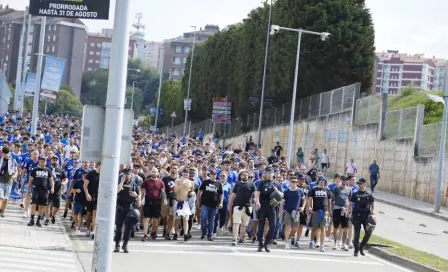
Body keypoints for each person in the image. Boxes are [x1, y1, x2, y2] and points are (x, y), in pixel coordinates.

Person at [254, 166, 281, 252]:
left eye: (271, 173)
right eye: (268, 173)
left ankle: (266, 243)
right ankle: (260, 244)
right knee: (261, 226)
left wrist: (276, 191)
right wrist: (257, 202)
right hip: (263, 206)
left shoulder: (277, 184)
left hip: (272, 207)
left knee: (273, 226)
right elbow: (257, 194)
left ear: (273, 174)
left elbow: (281, 198)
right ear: (265, 174)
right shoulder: (262, 183)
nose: (269, 174)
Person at [115, 167, 141, 253]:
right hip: (120, 207)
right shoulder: (120, 184)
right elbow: (116, 191)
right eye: (125, 174)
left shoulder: (135, 186)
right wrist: (121, 182)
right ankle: (117, 245)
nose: (126, 176)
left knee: (128, 228)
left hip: (130, 208)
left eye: (128, 174)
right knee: (118, 227)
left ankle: (125, 244)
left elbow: (139, 201)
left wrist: (136, 196)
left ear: (131, 175)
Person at [347, 178, 375, 257]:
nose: (359, 185)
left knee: (369, 232)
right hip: (357, 216)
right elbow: (350, 203)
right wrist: (348, 211)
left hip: (366, 216)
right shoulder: (355, 194)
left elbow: (372, 204)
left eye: (361, 184)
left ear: (365, 184)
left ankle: (361, 247)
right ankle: (356, 250)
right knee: (357, 233)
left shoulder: (369, 194)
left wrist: (373, 213)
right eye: (359, 184)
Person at [228, 170, 255, 246]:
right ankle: (234, 239)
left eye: (246, 175)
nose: (245, 176)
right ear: (240, 176)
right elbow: (233, 195)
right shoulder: (237, 184)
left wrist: (256, 201)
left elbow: (256, 194)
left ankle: (241, 239)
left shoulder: (252, 184)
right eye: (243, 175)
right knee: (236, 223)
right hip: (237, 206)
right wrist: (229, 204)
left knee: (244, 224)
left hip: (248, 207)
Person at [278, 175, 306, 250]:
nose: (294, 183)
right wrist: (280, 212)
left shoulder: (300, 191)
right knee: (287, 226)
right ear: (290, 182)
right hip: (287, 211)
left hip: (296, 212)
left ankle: (289, 238)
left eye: (296, 182)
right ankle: (286, 243)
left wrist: (303, 207)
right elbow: (282, 202)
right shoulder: (286, 191)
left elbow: (304, 199)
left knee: (295, 229)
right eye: (293, 182)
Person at [27, 157, 54, 227]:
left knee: (41, 206)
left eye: (44, 162)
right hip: (36, 189)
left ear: (46, 163)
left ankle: (38, 220)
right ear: (39, 162)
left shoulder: (48, 170)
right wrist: (28, 188)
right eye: (41, 161)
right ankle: (32, 220)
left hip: (44, 190)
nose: (43, 163)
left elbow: (51, 180)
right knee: (33, 204)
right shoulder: (35, 170)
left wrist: (52, 188)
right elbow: (30, 179)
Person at [141, 167, 166, 241]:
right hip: (148, 201)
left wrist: (164, 199)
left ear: (158, 173)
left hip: (157, 201)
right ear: (150, 172)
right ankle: (145, 234)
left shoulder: (161, 182)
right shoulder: (146, 181)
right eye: (152, 171)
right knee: (146, 218)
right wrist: (140, 200)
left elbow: (163, 192)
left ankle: (153, 232)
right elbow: (142, 191)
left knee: (156, 219)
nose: (154, 173)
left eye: (155, 172)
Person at [308, 176, 332, 252]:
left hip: (324, 211)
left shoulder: (327, 190)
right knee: (314, 228)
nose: (322, 182)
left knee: (323, 227)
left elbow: (329, 201)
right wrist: (310, 207)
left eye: (324, 181)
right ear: (318, 181)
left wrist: (329, 210)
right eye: (321, 180)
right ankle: (312, 241)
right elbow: (310, 199)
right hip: (315, 211)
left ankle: (322, 245)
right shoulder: (313, 189)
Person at [198, 169, 223, 241]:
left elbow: (221, 194)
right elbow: (199, 192)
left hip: (214, 205)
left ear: (216, 175)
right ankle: (203, 233)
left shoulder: (219, 183)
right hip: (204, 204)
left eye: (214, 174)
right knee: (203, 218)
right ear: (210, 175)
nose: (213, 175)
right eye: (212, 174)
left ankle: (210, 234)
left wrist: (221, 203)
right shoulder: (205, 182)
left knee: (212, 220)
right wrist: (198, 201)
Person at [174, 167, 194, 241]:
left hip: (186, 202)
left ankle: (185, 233)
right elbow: (175, 190)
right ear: (182, 173)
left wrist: (191, 193)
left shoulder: (191, 182)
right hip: (178, 201)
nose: (185, 174)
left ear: (188, 174)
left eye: (187, 173)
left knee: (185, 219)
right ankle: (176, 233)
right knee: (177, 219)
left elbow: (192, 191)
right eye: (184, 173)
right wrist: (181, 185)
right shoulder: (178, 180)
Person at [331, 175, 351, 251]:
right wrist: (331, 209)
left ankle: (344, 244)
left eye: (346, 180)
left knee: (345, 228)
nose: (344, 181)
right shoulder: (336, 188)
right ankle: (335, 243)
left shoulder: (349, 189)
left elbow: (350, 202)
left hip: (345, 210)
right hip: (337, 209)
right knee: (335, 227)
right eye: (343, 179)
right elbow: (331, 198)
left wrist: (349, 211)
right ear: (341, 180)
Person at [47, 155, 67, 224]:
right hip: (49, 190)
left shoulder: (61, 169)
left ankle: (53, 215)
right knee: (47, 205)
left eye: (56, 160)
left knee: (57, 207)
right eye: (53, 160)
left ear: (58, 161)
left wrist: (64, 182)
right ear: (51, 160)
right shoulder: (48, 169)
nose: (54, 161)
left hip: (57, 190)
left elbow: (66, 178)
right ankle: (47, 219)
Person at [84, 162, 101, 239]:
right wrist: (87, 194)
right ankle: (88, 228)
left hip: (98, 197)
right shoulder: (90, 174)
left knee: (95, 213)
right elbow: (85, 185)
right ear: (99, 165)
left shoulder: (104, 174)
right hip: (90, 196)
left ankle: (93, 231)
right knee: (88, 214)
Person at [0, 146, 18, 217]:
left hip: (9, 182)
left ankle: (3, 210)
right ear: (2, 153)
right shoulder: (1, 160)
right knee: (1, 197)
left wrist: (15, 176)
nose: (6, 155)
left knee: (6, 198)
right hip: (1, 181)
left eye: (7, 153)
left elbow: (17, 170)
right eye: (5, 154)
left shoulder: (13, 160)